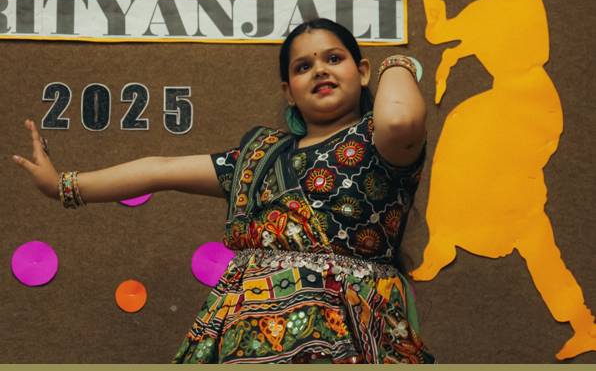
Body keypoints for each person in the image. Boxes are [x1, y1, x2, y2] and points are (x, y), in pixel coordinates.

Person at [13, 18, 434, 364]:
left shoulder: (381, 143)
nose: (320, 70)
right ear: (288, 92)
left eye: (334, 58)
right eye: (303, 66)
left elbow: (398, 118)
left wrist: (396, 63)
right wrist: (62, 185)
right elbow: (160, 169)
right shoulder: (259, 157)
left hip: (347, 335)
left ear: (363, 72)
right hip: (248, 339)